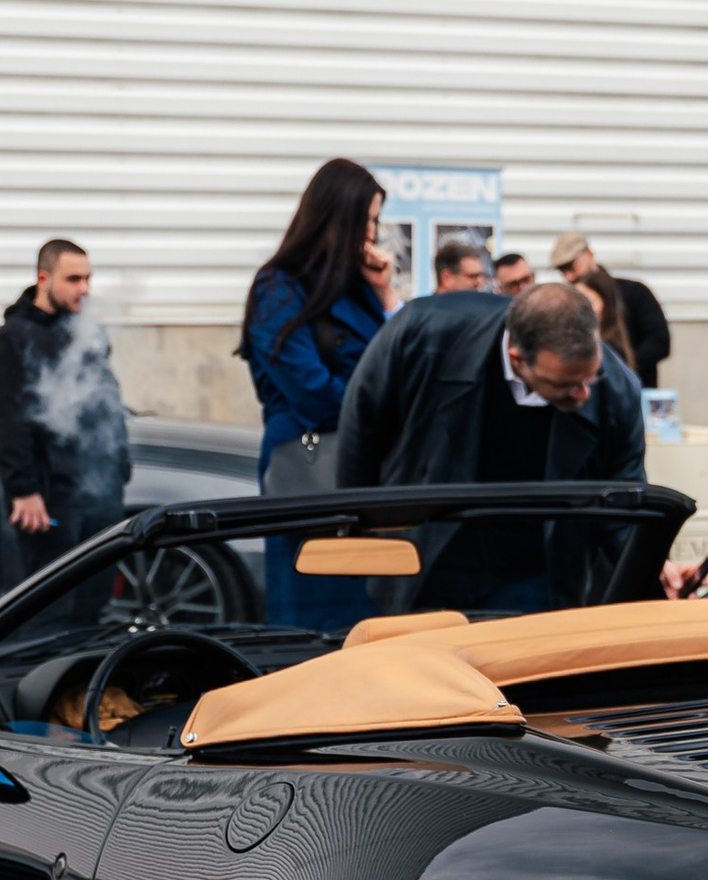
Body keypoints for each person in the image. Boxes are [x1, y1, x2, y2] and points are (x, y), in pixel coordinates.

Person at [336, 276, 646, 612]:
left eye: (591, 377)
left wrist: (652, 566)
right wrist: (359, 532)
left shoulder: (616, 388)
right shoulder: (423, 336)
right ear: (517, 359)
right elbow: (361, 431)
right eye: (566, 385)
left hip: (538, 568)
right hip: (430, 551)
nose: (585, 394)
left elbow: (623, 496)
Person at [242, 160, 400, 627]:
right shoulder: (277, 289)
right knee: (313, 615)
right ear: (338, 217)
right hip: (310, 465)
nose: (372, 234)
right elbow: (313, 393)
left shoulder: (360, 287)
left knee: (370, 616)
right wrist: (383, 404)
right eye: (366, 220)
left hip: (362, 469)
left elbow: (400, 365)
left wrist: (388, 297)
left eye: (375, 221)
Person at [0, 238, 133, 581]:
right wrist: (23, 490)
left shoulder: (87, 331)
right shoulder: (14, 338)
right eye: (73, 279)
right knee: (54, 598)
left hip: (99, 489)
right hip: (53, 496)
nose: (84, 289)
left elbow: (107, 400)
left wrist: (119, 468)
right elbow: (5, 422)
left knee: (95, 596)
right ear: (43, 279)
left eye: (88, 279)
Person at [551, 229, 671, 388]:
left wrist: (620, 369)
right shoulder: (567, 304)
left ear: (589, 255)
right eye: (562, 270)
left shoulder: (635, 292)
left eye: (571, 266)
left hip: (637, 390)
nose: (568, 276)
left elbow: (659, 342)